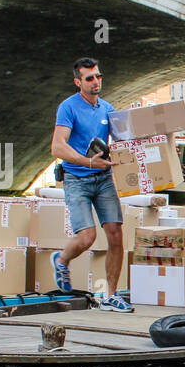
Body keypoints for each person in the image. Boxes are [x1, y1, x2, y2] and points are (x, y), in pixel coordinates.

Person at [50, 59, 133, 313]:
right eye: (89, 78)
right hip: (77, 179)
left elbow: (128, 138)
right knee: (87, 237)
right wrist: (88, 161)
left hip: (103, 178)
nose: (96, 81)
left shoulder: (107, 108)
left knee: (116, 234)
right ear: (78, 82)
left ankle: (110, 295)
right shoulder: (68, 107)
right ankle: (62, 260)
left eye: (98, 76)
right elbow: (57, 146)